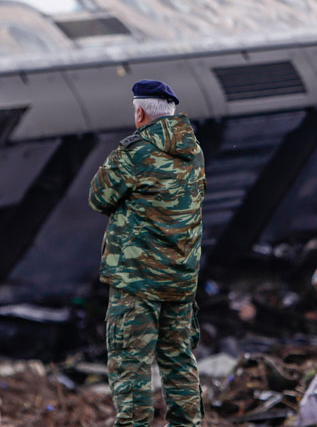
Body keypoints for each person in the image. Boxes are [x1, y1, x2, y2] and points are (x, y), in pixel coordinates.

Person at [88, 79, 205, 427]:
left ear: (139, 112)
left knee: (131, 362)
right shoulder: (194, 150)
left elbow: (98, 198)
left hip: (138, 281)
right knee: (179, 359)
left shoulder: (134, 153)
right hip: (181, 279)